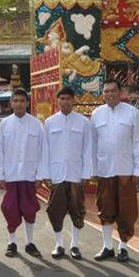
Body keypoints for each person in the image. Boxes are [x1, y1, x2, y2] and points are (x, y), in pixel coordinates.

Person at [91, 79, 139, 263]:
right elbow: (93, 144)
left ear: (121, 92)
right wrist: (93, 168)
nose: (110, 94)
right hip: (104, 169)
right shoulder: (97, 114)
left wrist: (138, 169)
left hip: (126, 170)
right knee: (105, 208)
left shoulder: (133, 113)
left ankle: (123, 246)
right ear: (102, 94)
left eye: (113, 91)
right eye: (106, 91)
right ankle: (107, 246)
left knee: (126, 210)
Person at [43, 87, 92, 260]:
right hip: (56, 174)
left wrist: (86, 174)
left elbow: (88, 149)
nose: (65, 102)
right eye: (62, 98)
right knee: (56, 210)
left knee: (77, 210)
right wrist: (46, 174)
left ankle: (75, 245)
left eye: (68, 98)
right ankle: (59, 244)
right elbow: (45, 150)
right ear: (57, 101)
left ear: (73, 100)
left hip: (76, 174)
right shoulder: (49, 122)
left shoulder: (83, 122)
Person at [0, 88, 46, 258]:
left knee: (29, 209)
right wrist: (0, 175)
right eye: (15, 101)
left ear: (27, 103)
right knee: (10, 209)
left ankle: (29, 242)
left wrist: (40, 175)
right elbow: (0, 151)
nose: (19, 104)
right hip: (11, 175)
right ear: (11, 103)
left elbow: (42, 151)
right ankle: (12, 242)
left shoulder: (36, 124)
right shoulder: (4, 124)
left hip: (29, 175)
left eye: (22, 101)